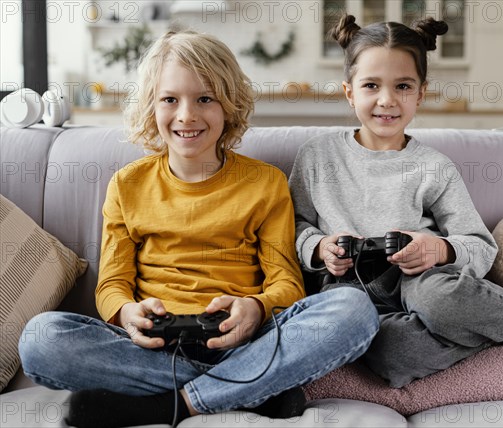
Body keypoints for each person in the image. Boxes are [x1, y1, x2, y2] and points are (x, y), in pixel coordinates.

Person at [18, 30, 379, 428]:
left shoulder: (266, 183)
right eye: (170, 99)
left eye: (204, 99)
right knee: (41, 339)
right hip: (152, 348)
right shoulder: (127, 184)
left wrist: (255, 307)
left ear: (228, 105)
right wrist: (127, 313)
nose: (187, 115)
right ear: (152, 106)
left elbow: (287, 284)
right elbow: (112, 285)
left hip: (243, 340)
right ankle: (252, 389)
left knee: (354, 308)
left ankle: (174, 404)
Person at [289, 14, 503, 388]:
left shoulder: (433, 167)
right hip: (349, 293)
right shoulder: (316, 157)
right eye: (371, 85)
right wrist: (319, 248)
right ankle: (495, 330)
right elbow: (294, 227)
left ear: (421, 93)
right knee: (392, 355)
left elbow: (479, 246)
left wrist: (437, 250)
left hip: (420, 280)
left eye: (402, 86)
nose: (387, 100)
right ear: (349, 92)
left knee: (440, 302)